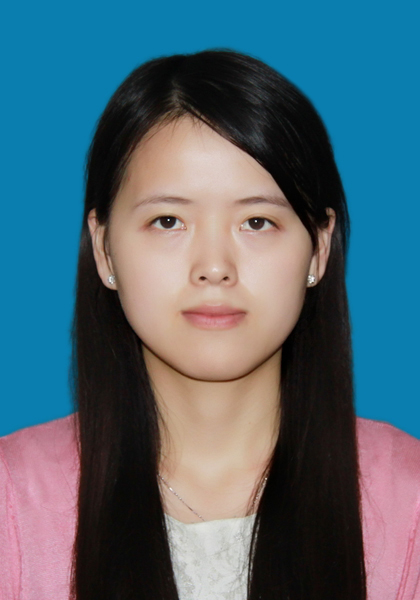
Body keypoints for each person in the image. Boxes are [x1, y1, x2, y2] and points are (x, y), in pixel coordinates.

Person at [0, 49, 419, 600]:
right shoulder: (11, 498)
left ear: (318, 249)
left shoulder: (409, 499)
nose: (215, 267)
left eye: (257, 221)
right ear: (104, 250)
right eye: (168, 221)